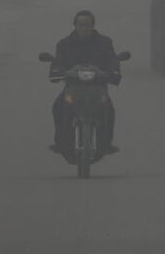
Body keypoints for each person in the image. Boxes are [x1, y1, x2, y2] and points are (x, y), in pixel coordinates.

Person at [49, 10, 121, 158]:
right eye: (81, 25)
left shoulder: (105, 43)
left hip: (98, 88)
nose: (84, 28)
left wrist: (112, 72)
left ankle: (106, 144)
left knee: (108, 109)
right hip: (72, 87)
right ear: (75, 26)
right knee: (59, 107)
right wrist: (59, 71)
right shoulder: (64, 44)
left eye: (87, 25)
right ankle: (61, 143)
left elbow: (112, 61)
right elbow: (58, 64)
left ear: (93, 26)